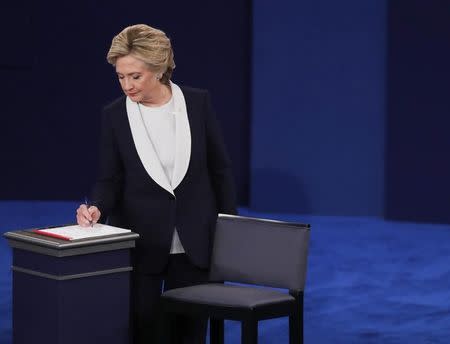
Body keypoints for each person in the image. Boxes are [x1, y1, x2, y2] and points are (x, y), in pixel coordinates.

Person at [75, 24, 237, 343]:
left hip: (196, 242)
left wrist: (229, 231)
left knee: (189, 333)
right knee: (143, 328)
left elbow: (220, 170)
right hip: (141, 241)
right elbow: (110, 179)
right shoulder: (114, 115)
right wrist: (96, 207)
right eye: (121, 77)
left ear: (159, 68)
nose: (127, 85)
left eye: (135, 76)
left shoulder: (198, 103)